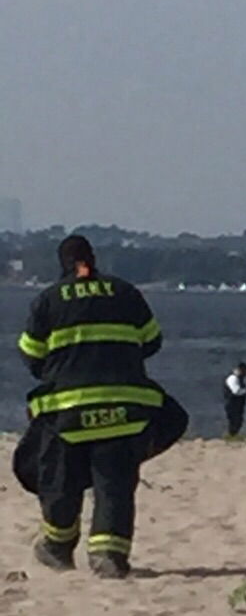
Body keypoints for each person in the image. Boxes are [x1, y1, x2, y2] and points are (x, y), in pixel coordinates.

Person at [16, 233, 165, 578]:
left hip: (66, 412)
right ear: (93, 258)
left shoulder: (48, 300)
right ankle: (108, 556)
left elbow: (31, 354)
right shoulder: (126, 293)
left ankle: (57, 546)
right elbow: (152, 340)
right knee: (113, 483)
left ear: (62, 264)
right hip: (123, 410)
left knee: (61, 482)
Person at [224, 362, 246, 437]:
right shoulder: (233, 378)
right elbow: (236, 391)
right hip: (232, 405)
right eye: (245, 372)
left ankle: (234, 435)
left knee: (238, 421)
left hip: (238, 405)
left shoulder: (238, 379)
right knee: (234, 421)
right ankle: (232, 435)